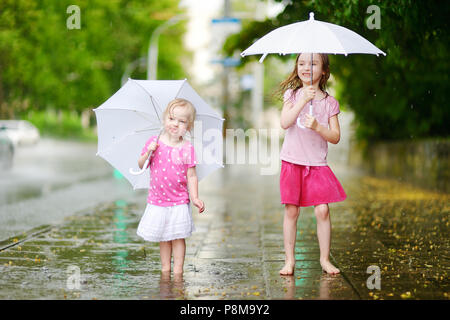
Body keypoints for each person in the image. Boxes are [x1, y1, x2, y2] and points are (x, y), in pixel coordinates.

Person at [278, 53, 347, 275]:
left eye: (313, 63)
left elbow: (335, 136)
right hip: (292, 161)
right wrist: (301, 102)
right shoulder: (292, 95)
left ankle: (325, 259)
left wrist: (318, 126)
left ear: (324, 71)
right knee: (292, 211)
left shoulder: (329, 103)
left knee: (323, 211)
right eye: (302, 63)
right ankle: (289, 260)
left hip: (317, 164)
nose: (306, 67)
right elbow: (284, 122)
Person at [136, 98, 205, 274]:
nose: (175, 124)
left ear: (188, 127)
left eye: (182, 121)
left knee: (177, 236)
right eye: (172, 118)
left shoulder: (187, 148)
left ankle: (178, 269)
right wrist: (148, 152)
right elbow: (140, 164)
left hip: (179, 200)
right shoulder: (155, 142)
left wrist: (195, 197)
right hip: (158, 200)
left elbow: (191, 175)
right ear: (164, 119)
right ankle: (166, 267)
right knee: (163, 237)